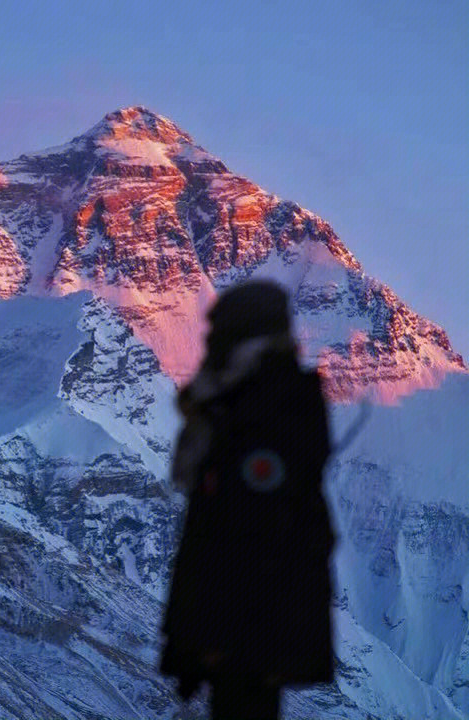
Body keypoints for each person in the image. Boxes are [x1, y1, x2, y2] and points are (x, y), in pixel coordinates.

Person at [160, 280, 335, 720]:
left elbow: (248, 540)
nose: (210, 346)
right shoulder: (249, 408)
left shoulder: (262, 416)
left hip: (247, 641)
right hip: (242, 639)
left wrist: (211, 640)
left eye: (221, 336)